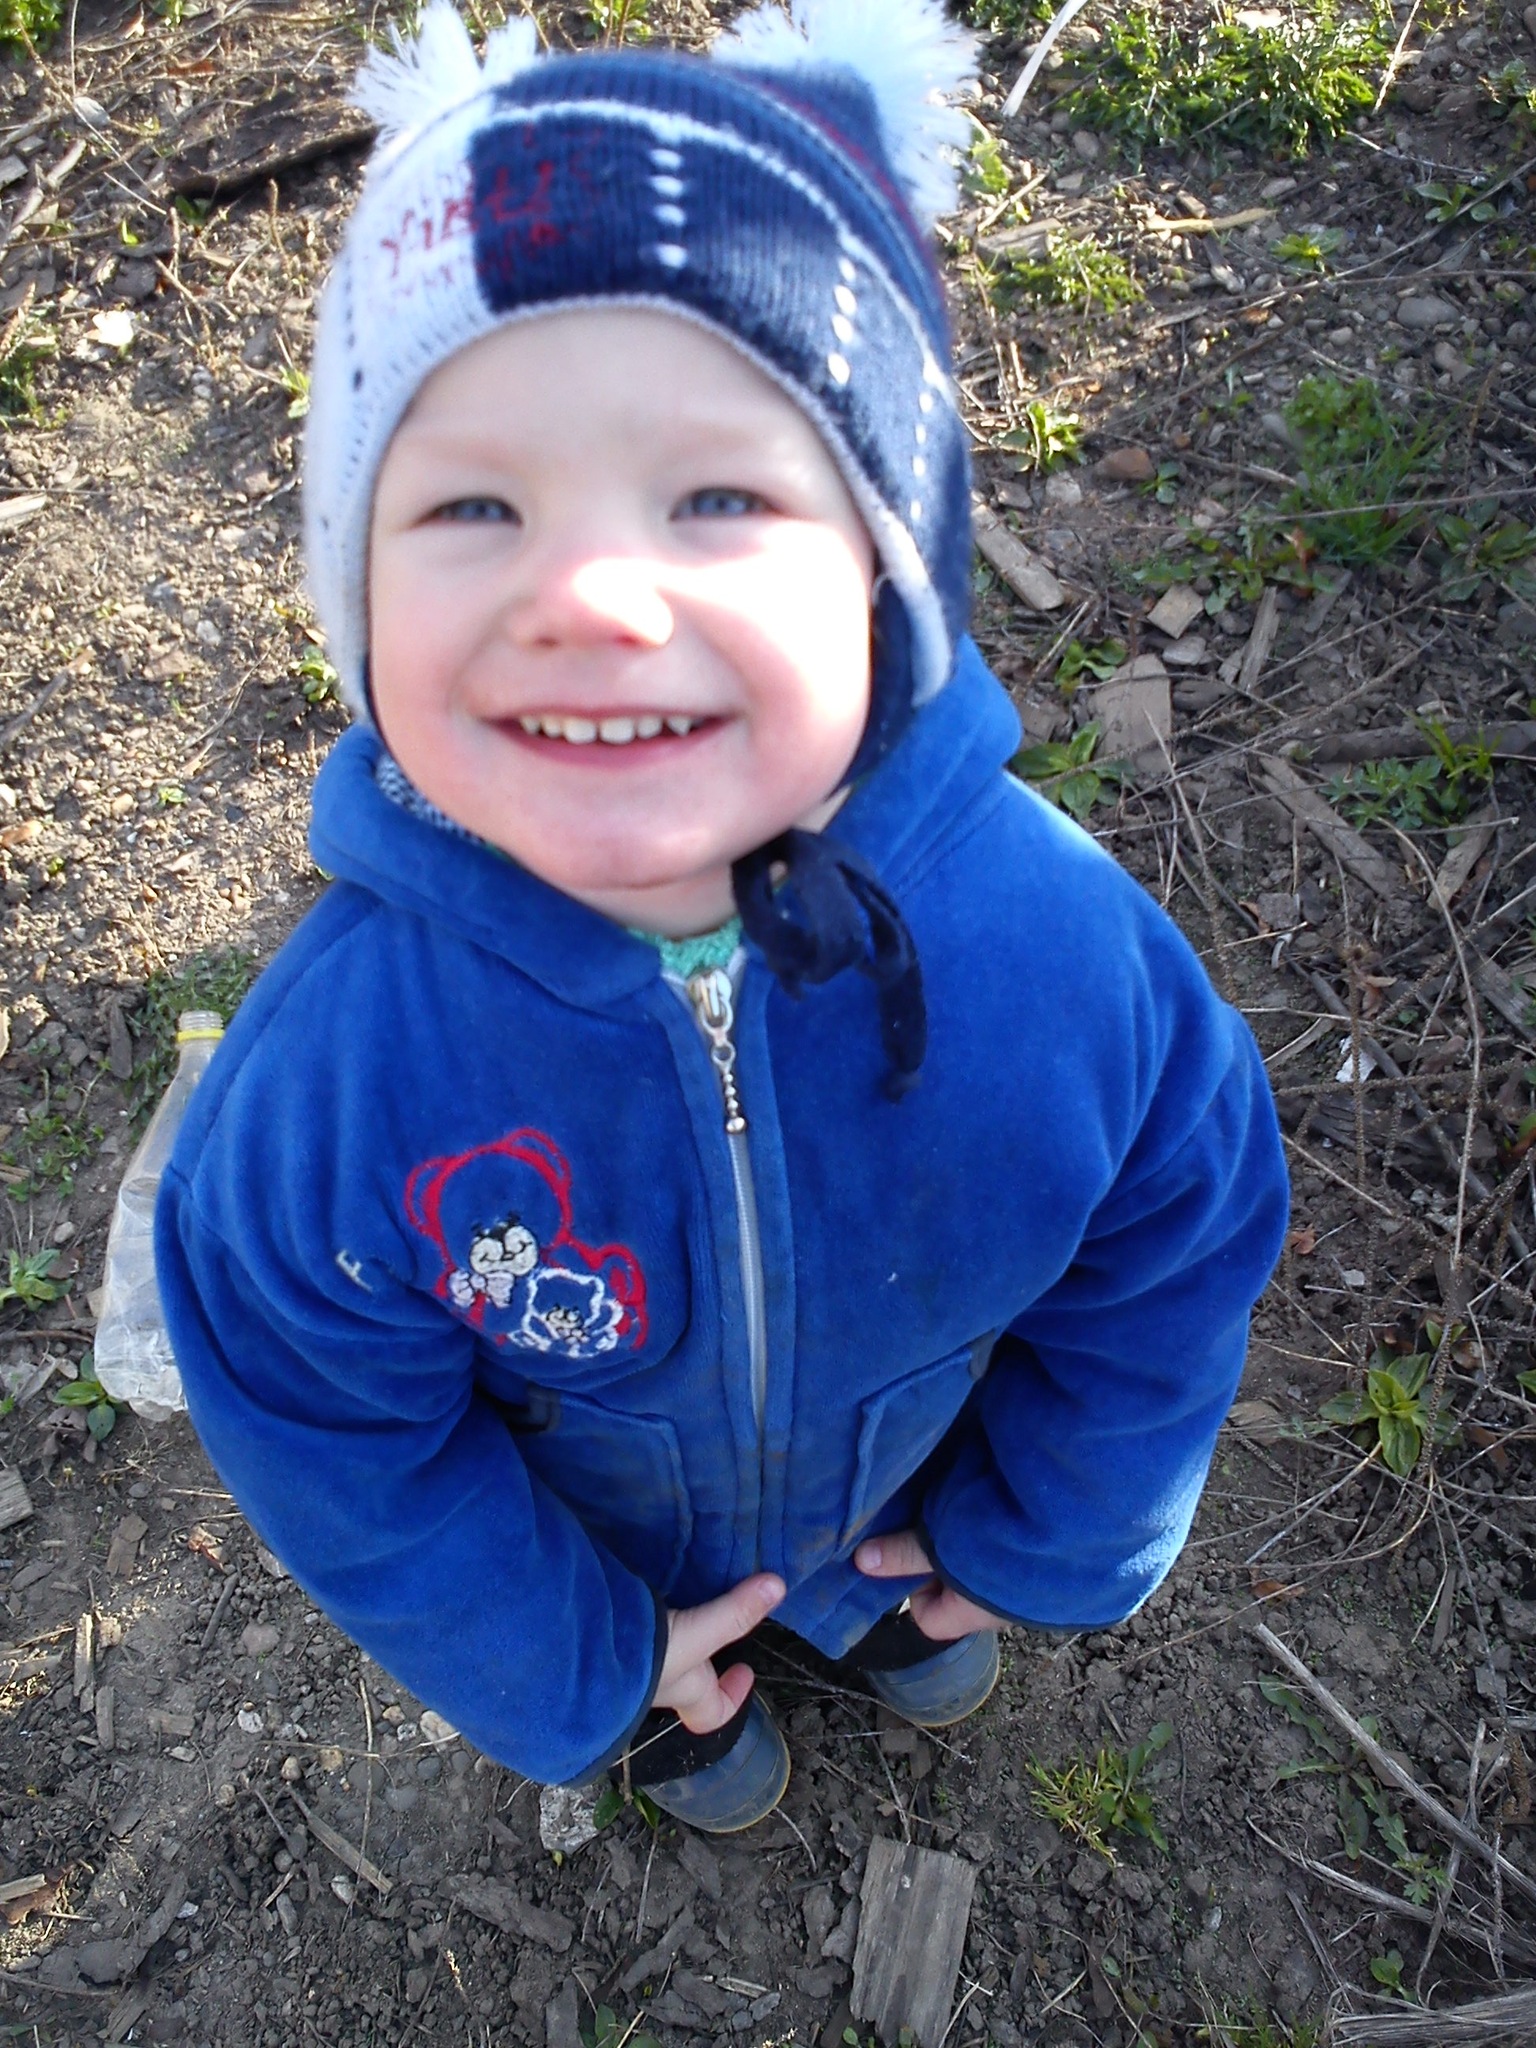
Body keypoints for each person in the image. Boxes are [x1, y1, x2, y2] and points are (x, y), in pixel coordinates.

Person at [156, 0, 1289, 1834]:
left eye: (715, 495)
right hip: (597, 1558)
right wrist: (578, 1659)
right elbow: (334, 1432)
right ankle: (676, 1699)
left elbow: (1175, 1246)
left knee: (924, 1581)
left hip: (911, 1487)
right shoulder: (338, 1083)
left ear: (884, 574)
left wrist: (1043, 1534)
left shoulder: (1062, 956)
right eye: (472, 504)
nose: (592, 594)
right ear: (355, 602)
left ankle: (894, 1592)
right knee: (653, 1685)